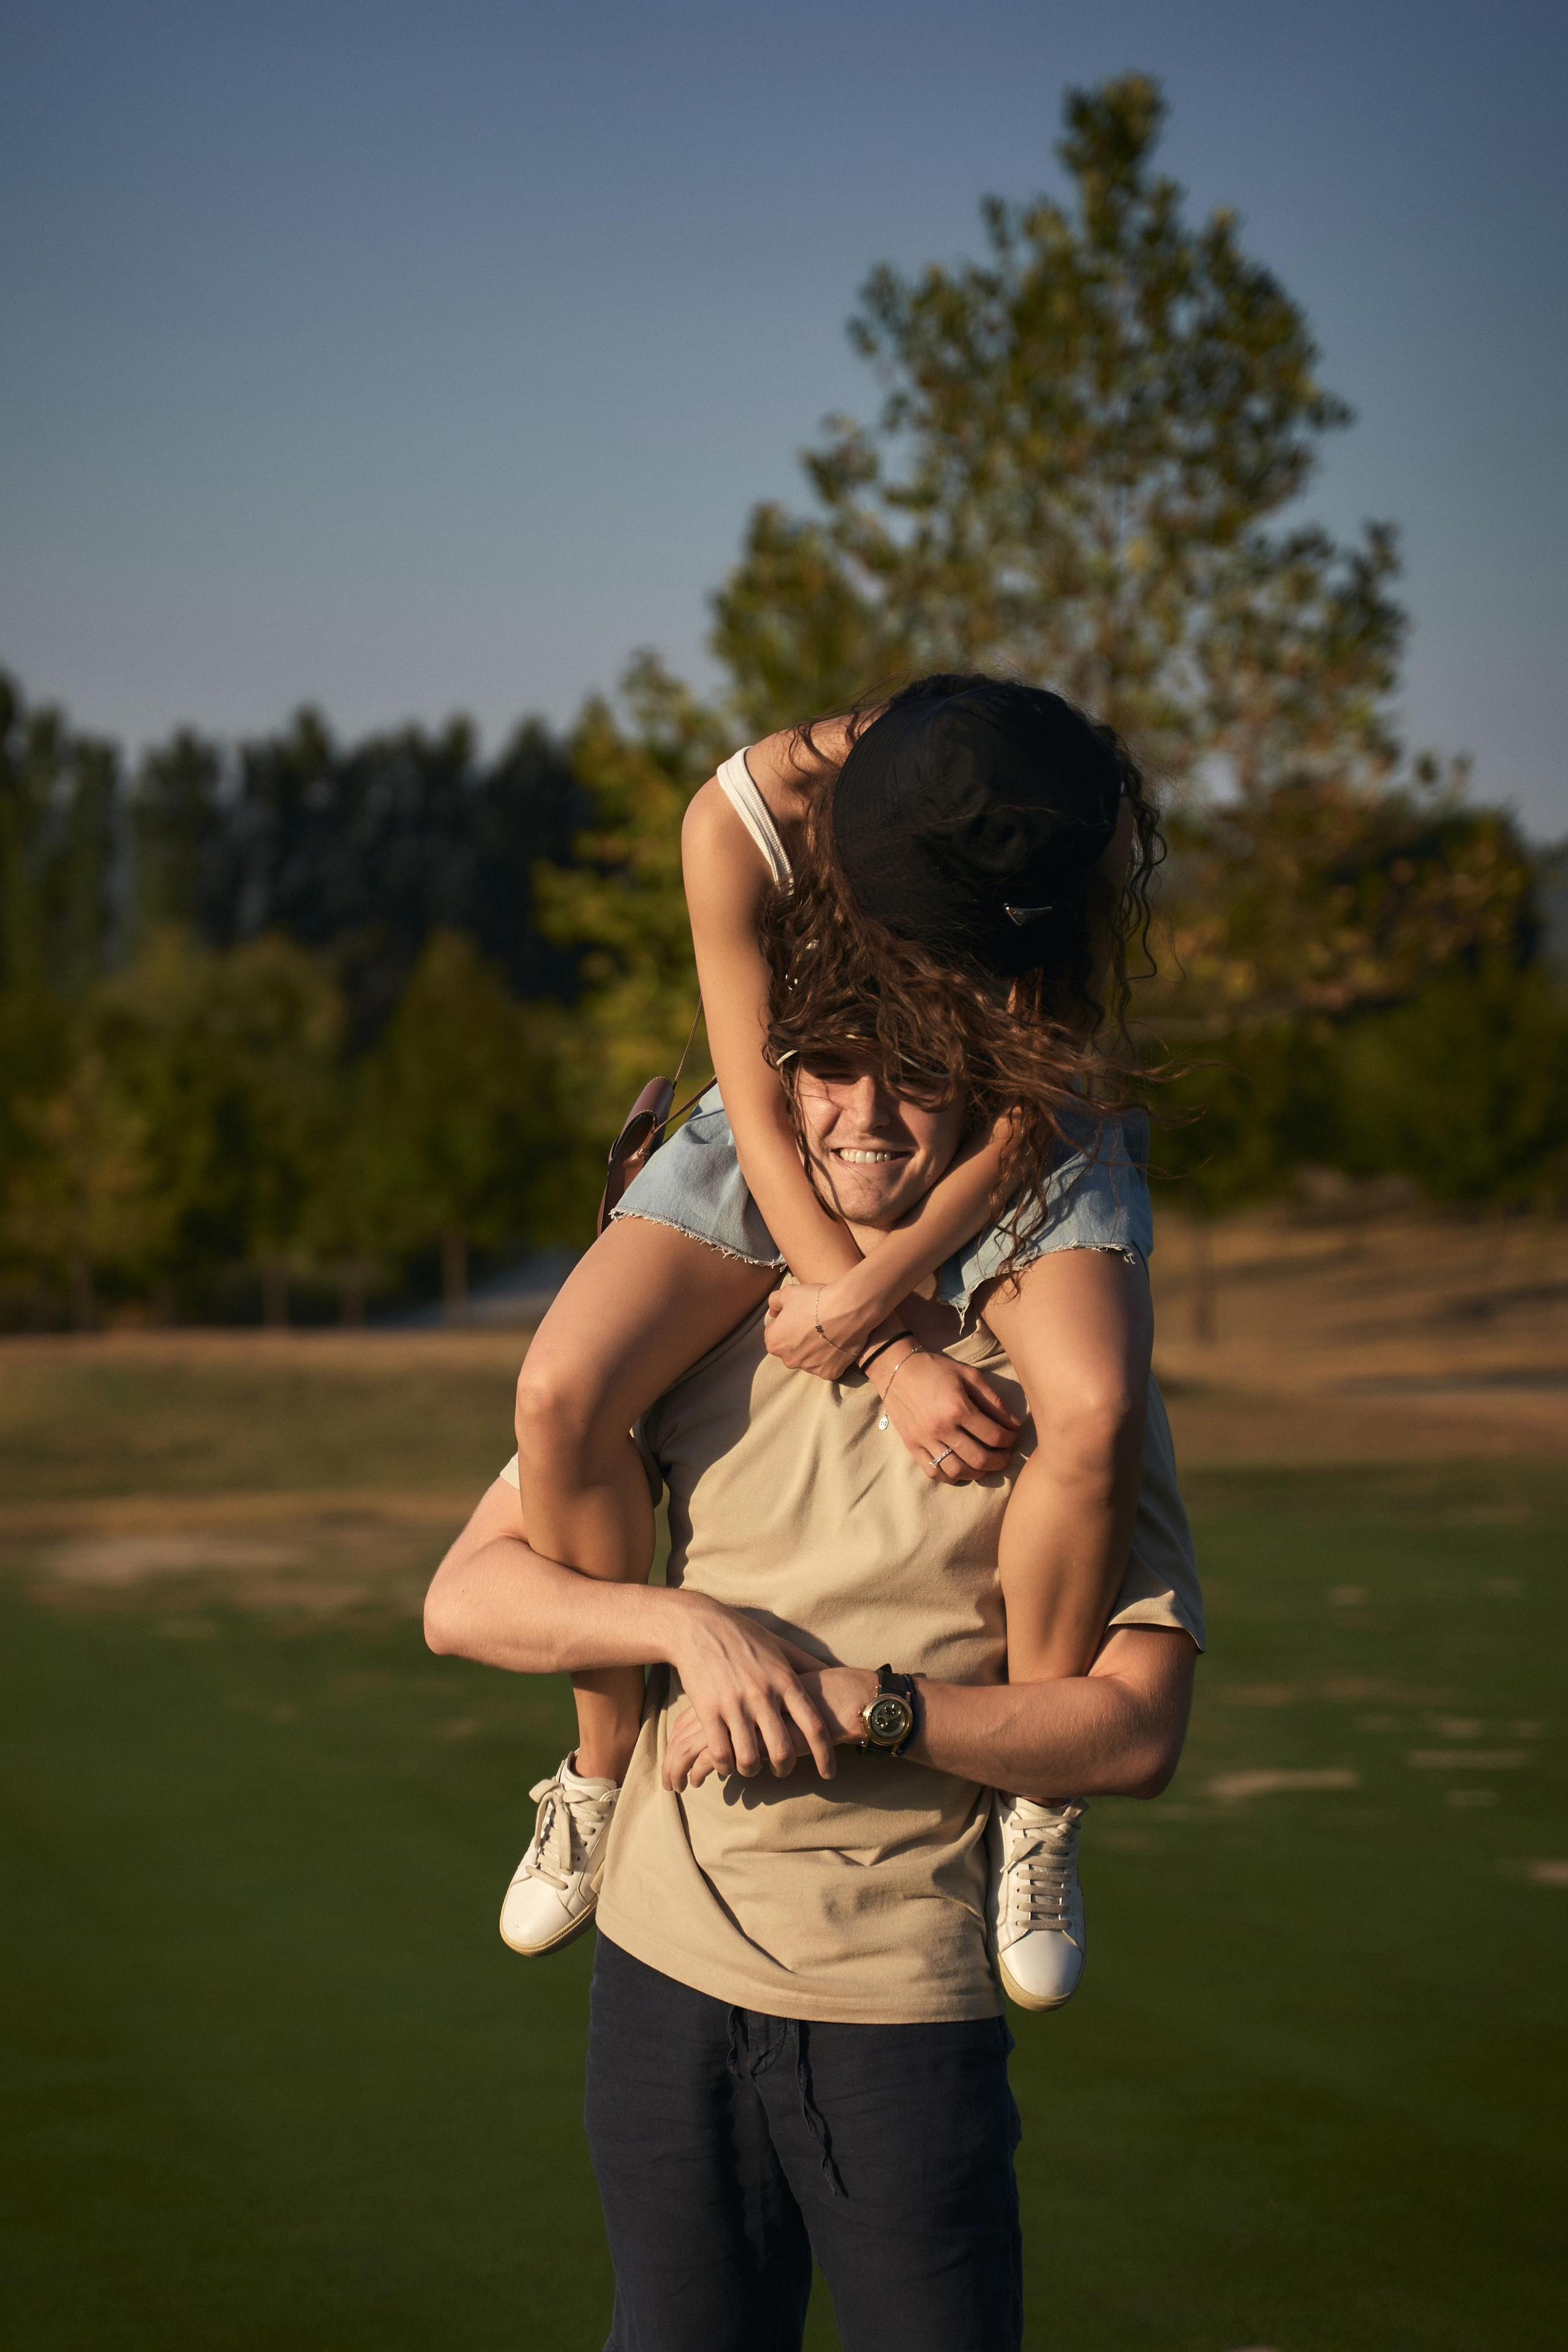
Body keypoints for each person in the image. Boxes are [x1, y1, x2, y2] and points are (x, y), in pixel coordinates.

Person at [424, 1041, 1202, 2351]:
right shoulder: (706, 1313)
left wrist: (866, 1707)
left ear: (985, 1100)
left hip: (897, 1997)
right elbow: (464, 1599)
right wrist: (682, 1624)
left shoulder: (1064, 1379)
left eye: (916, 1073)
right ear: (776, 1096)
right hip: (661, 1974)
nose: (868, 1115)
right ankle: (588, 1785)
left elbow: (1133, 1729)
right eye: (831, 1070)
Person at [504, 676, 1165, 1997]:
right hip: (795, 1109)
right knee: (558, 1391)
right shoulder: (735, 824)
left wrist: (889, 1285)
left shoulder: (1056, 825)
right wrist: (886, 1349)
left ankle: (1032, 1806)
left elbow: (1031, 1109)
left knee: (1090, 1410)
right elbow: (756, 1111)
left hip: (990, 1128)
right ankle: (596, 1764)